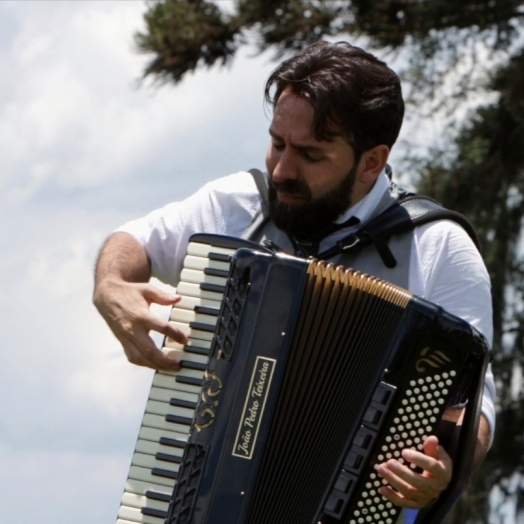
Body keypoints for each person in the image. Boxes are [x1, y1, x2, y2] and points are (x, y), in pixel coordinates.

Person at [93, 41, 495, 512]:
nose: (282, 169)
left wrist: (442, 467)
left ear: (372, 161)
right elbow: (135, 241)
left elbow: (474, 409)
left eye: (310, 154)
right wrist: (111, 285)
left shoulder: (439, 247)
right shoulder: (236, 205)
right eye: (277, 143)